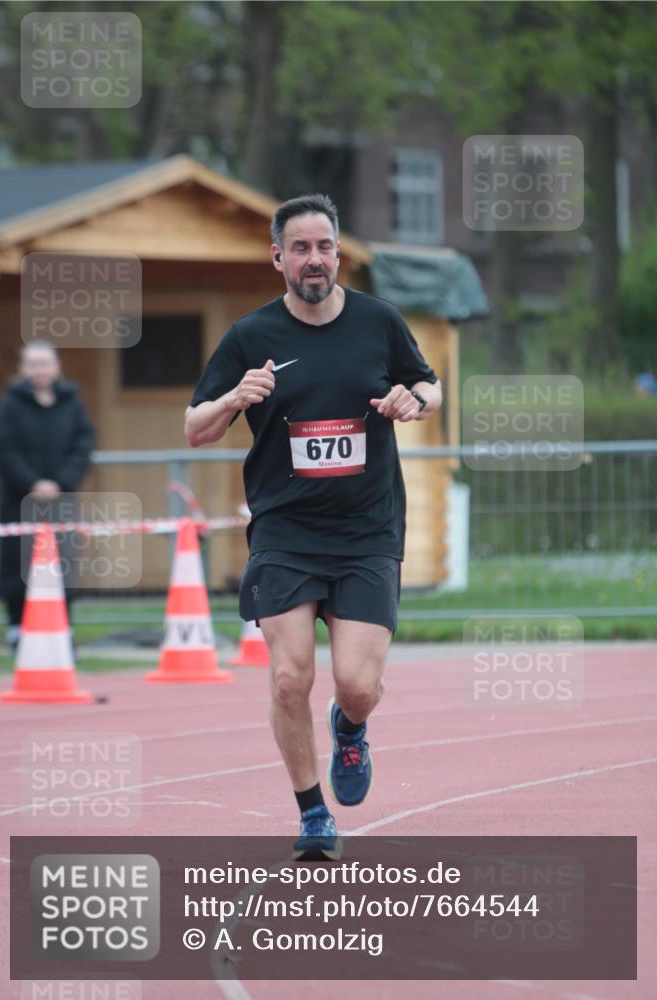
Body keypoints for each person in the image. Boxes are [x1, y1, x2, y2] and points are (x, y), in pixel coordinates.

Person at [185, 194, 442, 860]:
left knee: (357, 685)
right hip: (285, 533)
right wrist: (234, 397)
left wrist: (414, 399)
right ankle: (313, 814)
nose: (314, 259)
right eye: (299, 248)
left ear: (337, 254)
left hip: (366, 532)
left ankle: (349, 730)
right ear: (278, 258)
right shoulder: (250, 337)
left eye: (324, 246)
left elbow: (430, 385)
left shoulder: (378, 321)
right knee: (288, 678)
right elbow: (195, 428)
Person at [0, 341, 96, 650]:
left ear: (56, 366)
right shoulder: (11, 403)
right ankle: (17, 627)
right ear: (23, 368)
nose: (40, 369)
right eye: (33, 363)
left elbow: (84, 443)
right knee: (18, 563)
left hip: (61, 499)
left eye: (45, 363)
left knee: (62, 562)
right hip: (19, 499)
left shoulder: (72, 401)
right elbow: (5, 447)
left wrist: (61, 482)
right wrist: (32, 484)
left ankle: (64, 628)